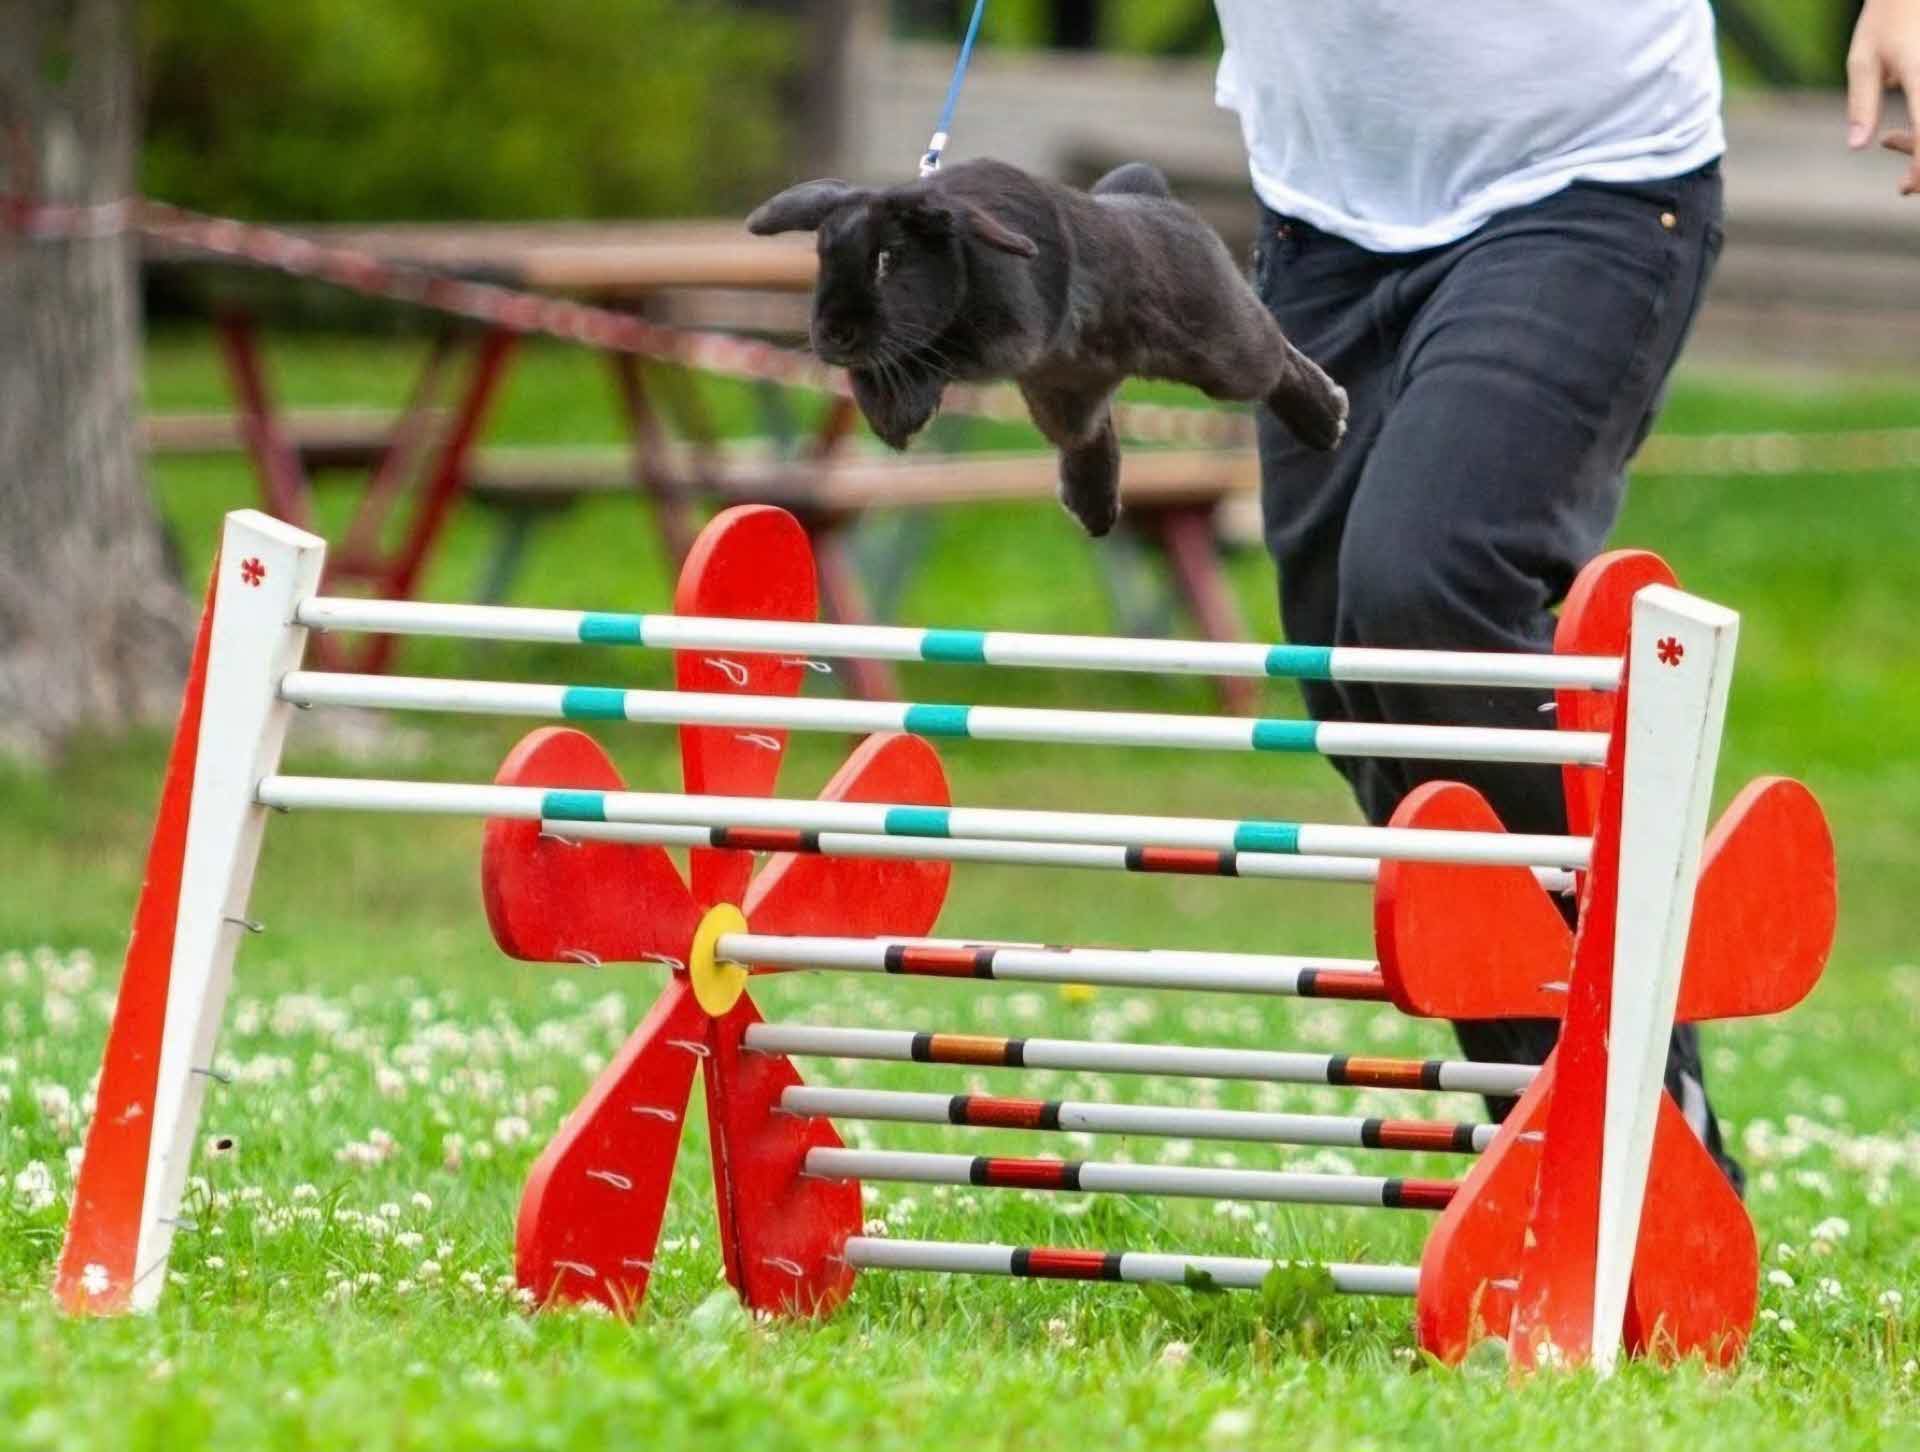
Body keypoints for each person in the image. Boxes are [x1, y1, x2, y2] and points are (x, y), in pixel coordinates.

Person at [1211, 0, 1920, 1186]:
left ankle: (1638, 1103)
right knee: (1352, 672)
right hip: (1320, 218)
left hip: (1590, 185)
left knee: (1428, 583)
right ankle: (1559, 1130)